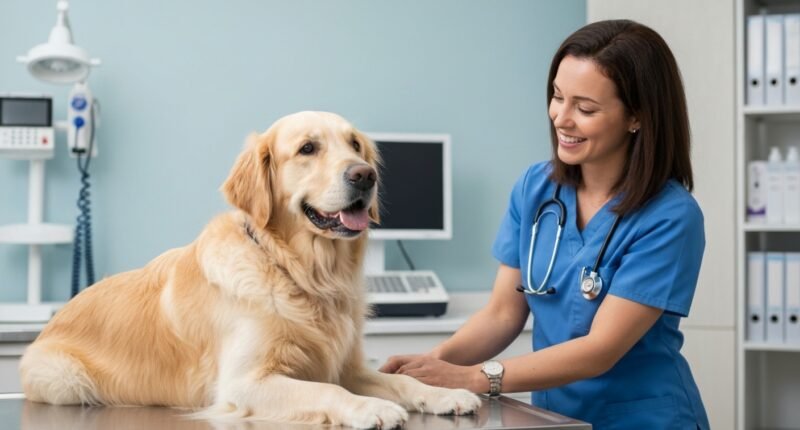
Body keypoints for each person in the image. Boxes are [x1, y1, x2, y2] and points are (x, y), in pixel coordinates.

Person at [379, 19, 710, 430]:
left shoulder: (670, 216)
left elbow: (600, 349)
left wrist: (474, 378)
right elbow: (503, 314)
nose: (561, 118)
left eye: (585, 108)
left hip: (645, 419)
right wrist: (432, 365)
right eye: (557, 97)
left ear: (636, 117)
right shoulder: (536, 188)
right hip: (554, 418)